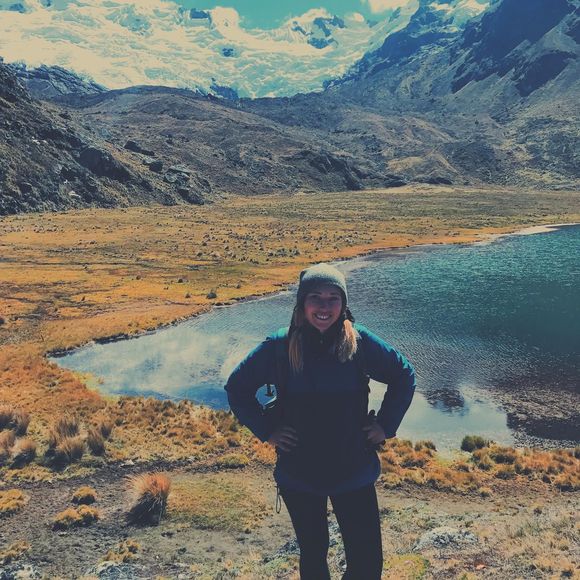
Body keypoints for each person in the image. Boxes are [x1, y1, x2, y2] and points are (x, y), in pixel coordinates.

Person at [225, 263, 415, 580]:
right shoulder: (279, 346)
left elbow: (403, 375)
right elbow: (237, 389)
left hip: (354, 471)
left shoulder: (360, 343)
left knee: (367, 562)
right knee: (314, 555)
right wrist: (267, 431)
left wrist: (385, 425)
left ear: (343, 304)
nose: (324, 307)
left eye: (333, 298)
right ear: (302, 303)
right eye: (316, 297)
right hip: (300, 475)